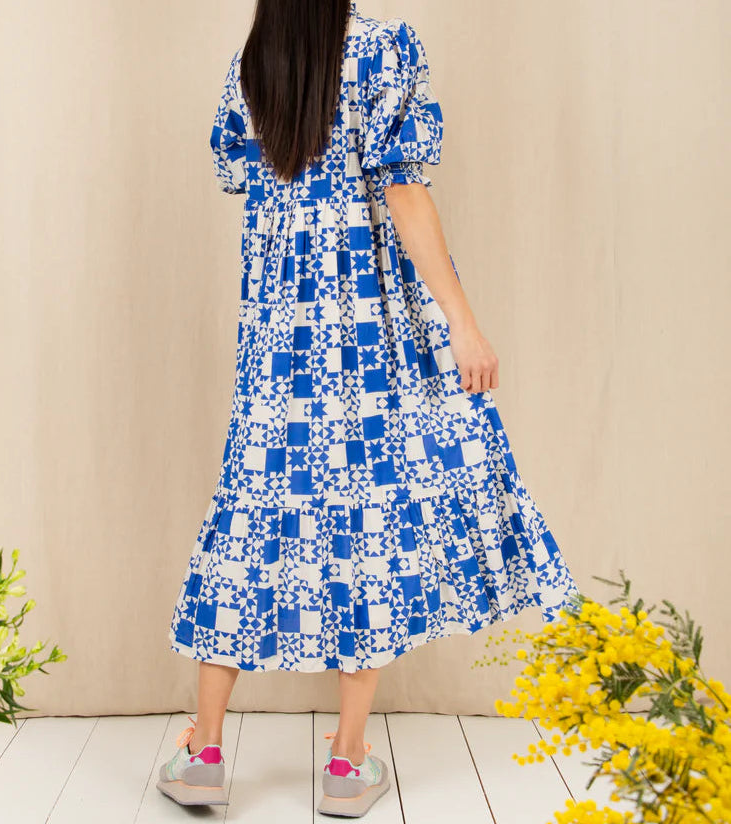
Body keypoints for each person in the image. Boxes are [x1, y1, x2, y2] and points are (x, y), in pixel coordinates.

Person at [158, 0, 582, 816]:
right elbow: (403, 189)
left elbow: (243, 172)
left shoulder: (256, 60)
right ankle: (347, 762)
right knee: (368, 520)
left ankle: (204, 752)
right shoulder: (385, 49)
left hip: (277, 333)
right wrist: (461, 322)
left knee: (250, 516)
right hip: (368, 326)